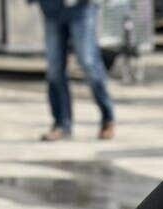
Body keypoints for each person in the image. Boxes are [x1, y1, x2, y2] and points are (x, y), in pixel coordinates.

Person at [35, 0, 116, 142]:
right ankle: (61, 124)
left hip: (81, 7)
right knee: (54, 68)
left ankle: (108, 117)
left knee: (88, 62)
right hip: (52, 8)